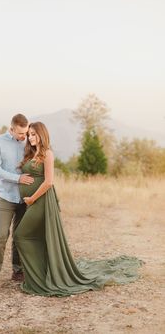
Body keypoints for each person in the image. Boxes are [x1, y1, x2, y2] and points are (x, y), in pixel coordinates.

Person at [14, 122, 143, 297]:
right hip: (33, 202)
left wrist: (31, 198)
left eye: (34, 134)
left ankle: (38, 280)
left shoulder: (47, 154)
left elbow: (49, 182)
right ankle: (40, 274)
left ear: (42, 135)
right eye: (29, 134)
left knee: (21, 235)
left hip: (41, 202)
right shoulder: (31, 153)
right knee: (35, 237)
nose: (31, 137)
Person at [0, 114, 34, 296]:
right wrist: (18, 178)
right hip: (6, 197)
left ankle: (18, 271)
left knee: (20, 236)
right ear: (11, 128)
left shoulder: (29, 141)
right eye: (20, 133)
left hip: (25, 198)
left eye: (26, 133)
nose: (24, 137)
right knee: (0, 236)